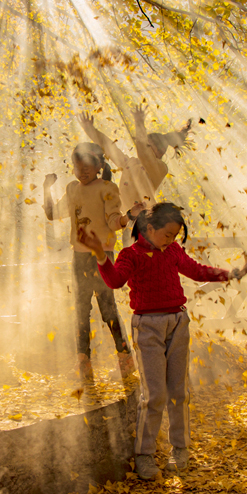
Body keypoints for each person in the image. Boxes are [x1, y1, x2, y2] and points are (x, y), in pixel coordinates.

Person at [79, 202, 247, 480]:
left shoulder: (173, 251)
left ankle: (180, 448)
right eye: (168, 234)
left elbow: (196, 271)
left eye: (175, 236)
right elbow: (114, 281)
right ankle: (145, 453)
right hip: (147, 327)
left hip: (178, 323)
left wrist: (230, 274)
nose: (172, 240)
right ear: (149, 228)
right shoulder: (130, 255)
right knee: (155, 394)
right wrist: (101, 255)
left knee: (179, 392)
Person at [43, 142, 142, 382]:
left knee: (107, 307)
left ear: (99, 165)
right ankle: (83, 361)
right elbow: (52, 214)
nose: (82, 171)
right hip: (78, 256)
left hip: (102, 257)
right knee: (80, 309)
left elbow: (112, 221)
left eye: (87, 166)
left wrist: (128, 217)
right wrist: (46, 189)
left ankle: (124, 358)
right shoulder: (72, 189)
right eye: (77, 166)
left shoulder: (107, 188)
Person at [77, 108, 192, 245]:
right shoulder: (130, 163)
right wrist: (90, 129)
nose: (143, 147)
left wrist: (139, 122)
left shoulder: (159, 167)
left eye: (149, 146)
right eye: (146, 144)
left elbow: (143, 150)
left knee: (145, 260)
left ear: (161, 151)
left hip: (148, 224)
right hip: (130, 220)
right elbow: (110, 149)